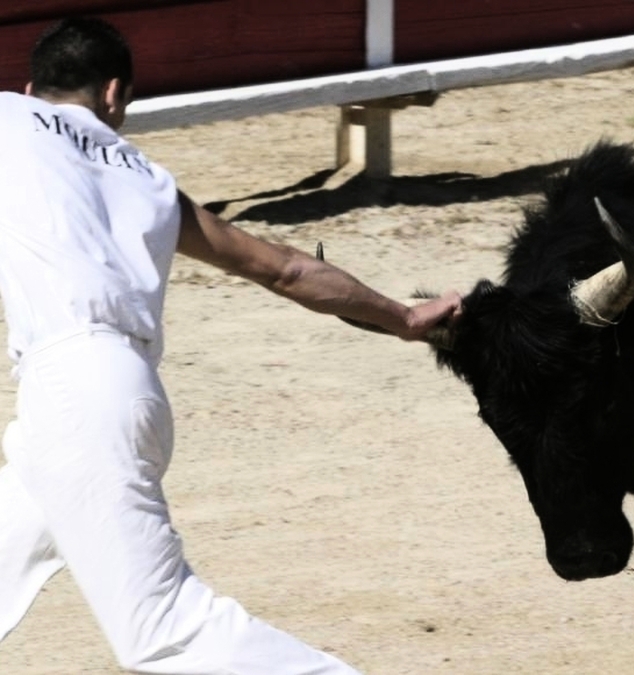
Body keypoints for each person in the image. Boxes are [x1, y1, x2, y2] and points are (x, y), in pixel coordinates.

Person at [0, 17, 461, 674]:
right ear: (113, 95)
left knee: (160, 627)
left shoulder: (6, 119)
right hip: (129, 392)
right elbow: (286, 268)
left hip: (73, 394)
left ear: (29, 85)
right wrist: (404, 317)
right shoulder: (147, 178)